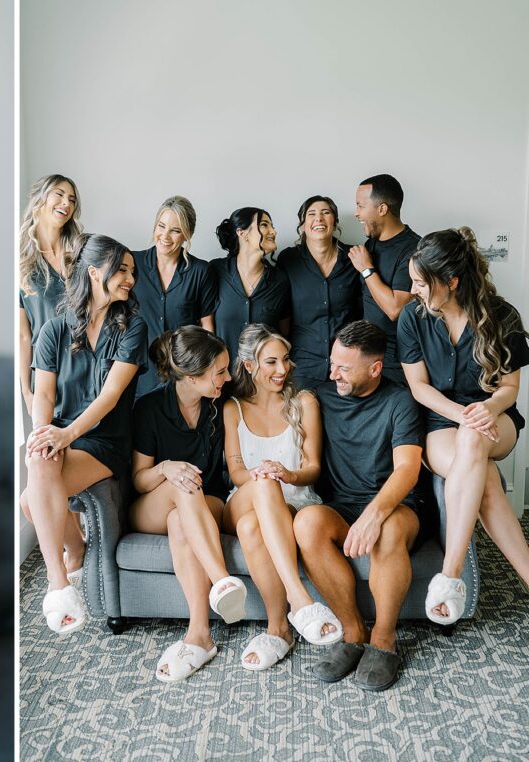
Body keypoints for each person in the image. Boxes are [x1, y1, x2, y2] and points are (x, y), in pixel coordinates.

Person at [398, 227, 529, 624]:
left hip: (496, 419)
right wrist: (463, 415)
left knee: (474, 439)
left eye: (422, 282)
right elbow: (419, 387)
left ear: (451, 282)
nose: (414, 289)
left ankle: (450, 575)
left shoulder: (502, 314)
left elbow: (509, 389)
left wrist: (486, 408)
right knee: (484, 478)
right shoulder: (412, 317)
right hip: (441, 421)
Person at [21, 233, 148, 636]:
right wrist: (45, 433)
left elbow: (111, 395)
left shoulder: (133, 327)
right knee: (38, 466)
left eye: (132, 271)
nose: (130, 278)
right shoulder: (54, 330)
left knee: (30, 501)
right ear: (95, 272)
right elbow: (43, 393)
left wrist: (66, 435)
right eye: (122, 269)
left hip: (105, 440)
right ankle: (65, 570)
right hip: (61, 433)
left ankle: (63, 574)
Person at [294, 321, 424, 692]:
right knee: (307, 523)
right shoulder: (319, 395)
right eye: (333, 363)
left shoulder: (399, 400)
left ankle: (384, 640)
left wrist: (374, 514)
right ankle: (353, 634)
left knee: (389, 529)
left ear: (375, 368)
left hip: (397, 507)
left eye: (344, 368)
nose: (333, 373)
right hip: (341, 505)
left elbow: (407, 468)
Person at [222, 324, 342, 672]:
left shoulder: (304, 402)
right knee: (260, 486)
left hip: (295, 501)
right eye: (271, 362)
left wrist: (287, 474)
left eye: (286, 360)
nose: (282, 369)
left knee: (250, 528)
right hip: (243, 497)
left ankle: (279, 629)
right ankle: (299, 598)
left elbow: (313, 467)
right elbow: (237, 472)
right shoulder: (234, 408)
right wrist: (264, 476)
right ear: (249, 366)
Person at [127, 326, 234, 681]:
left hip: (205, 503)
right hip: (152, 504)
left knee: (181, 518)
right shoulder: (150, 408)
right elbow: (139, 480)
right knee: (182, 484)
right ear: (191, 376)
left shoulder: (220, 405)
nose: (227, 377)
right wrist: (166, 467)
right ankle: (222, 581)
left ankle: (200, 635)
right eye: (219, 372)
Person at [131, 196, 218, 399]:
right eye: (161, 226)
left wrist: (205, 369)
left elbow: (207, 328)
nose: (165, 236)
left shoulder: (200, 271)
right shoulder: (133, 263)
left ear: (187, 235)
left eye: (175, 230)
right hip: (138, 370)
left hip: (183, 373)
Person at [277, 195, 362, 390]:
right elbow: (282, 312)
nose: (319, 219)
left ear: (335, 221)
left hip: (347, 364)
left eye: (326, 213)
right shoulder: (289, 259)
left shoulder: (354, 257)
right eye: (312, 214)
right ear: (303, 224)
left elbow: (364, 312)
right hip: (303, 365)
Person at [18, 174, 84, 415]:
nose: (66, 203)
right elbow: (23, 336)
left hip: (86, 364)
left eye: (72, 199)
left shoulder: (80, 254)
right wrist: (26, 390)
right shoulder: (20, 262)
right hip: (47, 371)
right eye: (59, 194)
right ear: (40, 198)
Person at [348, 174, 420, 385]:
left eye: (360, 206)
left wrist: (367, 269)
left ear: (382, 209)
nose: (356, 213)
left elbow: (394, 309)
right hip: (368, 357)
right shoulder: (370, 245)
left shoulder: (415, 250)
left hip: (400, 363)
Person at [211, 208, 290, 366]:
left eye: (272, 226)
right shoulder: (215, 271)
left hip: (263, 379)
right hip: (222, 378)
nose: (273, 231)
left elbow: (284, 331)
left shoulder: (280, 280)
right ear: (242, 233)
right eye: (264, 225)